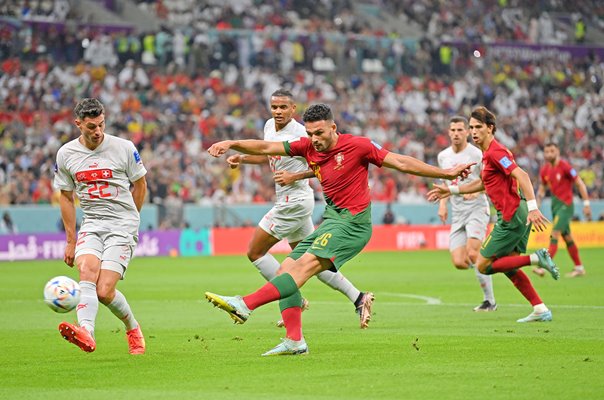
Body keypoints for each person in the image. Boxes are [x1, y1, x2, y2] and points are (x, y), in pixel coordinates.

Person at [205, 103, 474, 356]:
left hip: (354, 223)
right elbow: (266, 146)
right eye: (310, 133)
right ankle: (295, 340)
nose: (315, 139)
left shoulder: (359, 146)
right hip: (333, 219)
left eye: (319, 133)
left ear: (333, 128)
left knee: (302, 269)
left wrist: (446, 174)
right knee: (286, 269)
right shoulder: (307, 147)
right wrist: (232, 144)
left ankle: (246, 305)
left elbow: (402, 162)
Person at [226, 89, 374, 329]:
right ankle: (358, 297)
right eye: (274, 107)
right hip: (289, 200)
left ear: (293, 109)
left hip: (293, 201)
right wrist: (242, 159)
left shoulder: (302, 132)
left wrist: (296, 175)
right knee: (314, 261)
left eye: (283, 107)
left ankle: (291, 295)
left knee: (255, 252)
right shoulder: (268, 127)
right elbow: (269, 153)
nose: (278, 112)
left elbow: (322, 163)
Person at [427, 106, 559, 323]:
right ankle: (540, 308)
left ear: (490, 128)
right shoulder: (488, 155)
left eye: (478, 127)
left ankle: (537, 258)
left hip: (512, 216)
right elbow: (482, 183)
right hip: (516, 214)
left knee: (483, 265)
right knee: (509, 266)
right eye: (472, 127)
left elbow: (523, 176)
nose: (474, 131)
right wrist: (449, 190)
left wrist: (534, 207)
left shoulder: (496, 152)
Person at [53, 98, 147, 354]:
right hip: (92, 223)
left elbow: (140, 185)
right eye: (92, 126)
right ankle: (87, 331)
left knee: (105, 291)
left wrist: (131, 220)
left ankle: (132, 327)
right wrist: (71, 240)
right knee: (86, 270)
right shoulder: (66, 154)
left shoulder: (124, 147)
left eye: (101, 125)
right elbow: (65, 196)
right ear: (78, 124)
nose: (98, 132)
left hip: (122, 224)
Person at [437, 116, 496, 312]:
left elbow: (489, 180)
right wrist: (443, 205)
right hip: (458, 212)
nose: (456, 133)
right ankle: (486, 266)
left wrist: (477, 191)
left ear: (467, 132)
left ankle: (490, 301)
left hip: (477, 208)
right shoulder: (443, 156)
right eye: (453, 130)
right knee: (459, 262)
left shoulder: (477, 154)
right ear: (448, 132)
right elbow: (445, 183)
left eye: (460, 130)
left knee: (472, 252)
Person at [533, 142, 591, 278]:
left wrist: (586, 203)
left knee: (555, 233)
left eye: (552, 151)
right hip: (555, 206)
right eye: (546, 152)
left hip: (566, 206)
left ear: (557, 151)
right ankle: (579, 267)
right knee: (567, 237)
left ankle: (544, 266)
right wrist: (537, 203)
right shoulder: (545, 170)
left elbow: (579, 183)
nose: (549, 154)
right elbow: (542, 188)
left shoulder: (565, 167)